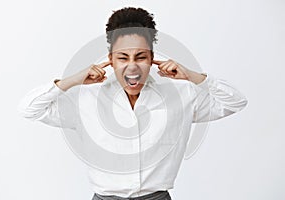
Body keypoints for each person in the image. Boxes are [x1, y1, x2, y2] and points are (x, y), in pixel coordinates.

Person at [17, 7, 248, 200]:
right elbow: (29, 108)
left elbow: (236, 101)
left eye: (140, 57)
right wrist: (72, 80)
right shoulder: (86, 99)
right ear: (110, 60)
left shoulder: (181, 95)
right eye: (123, 58)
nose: (132, 67)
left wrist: (192, 76)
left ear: (151, 59)